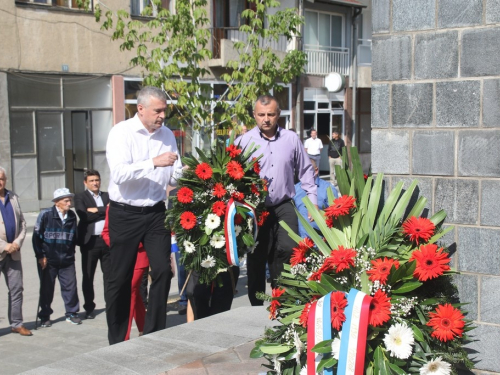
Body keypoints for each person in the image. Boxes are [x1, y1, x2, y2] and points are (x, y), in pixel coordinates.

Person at [105, 86, 183, 344]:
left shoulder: (168, 135)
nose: (162, 115)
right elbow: (119, 174)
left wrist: (188, 174)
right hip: (124, 213)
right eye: (157, 110)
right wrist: (154, 162)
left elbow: (174, 173)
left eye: (164, 110)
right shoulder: (121, 132)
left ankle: (153, 332)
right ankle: (116, 339)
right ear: (141, 109)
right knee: (120, 277)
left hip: (156, 212)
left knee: (163, 270)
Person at [236, 94, 317, 306]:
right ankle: (255, 305)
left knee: (288, 249)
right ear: (254, 115)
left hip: (283, 204)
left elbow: (306, 170)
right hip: (256, 207)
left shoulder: (291, 139)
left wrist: (312, 200)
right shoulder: (243, 142)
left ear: (278, 115)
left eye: (270, 114)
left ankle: (283, 300)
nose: (266, 119)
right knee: (256, 255)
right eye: (261, 115)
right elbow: (232, 174)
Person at [33, 188, 81, 327]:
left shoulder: (72, 215)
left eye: (70, 200)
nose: (69, 203)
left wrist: (71, 252)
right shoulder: (46, 214)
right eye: (66, 200)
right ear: (57, 202)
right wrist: (40, 255)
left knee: (70, 287)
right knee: (47, 288)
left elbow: (74, 236)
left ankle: (71, 313)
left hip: (67, 259)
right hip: (48, 259)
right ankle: (45, 315)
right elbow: (37, 238)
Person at [101, 207, 149, 340]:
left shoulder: (142, 204)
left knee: (129, 292)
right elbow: (105, 232)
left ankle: (123, 337)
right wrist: (119, 245)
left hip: (140, 256)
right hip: (121, 257)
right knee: (134, 293)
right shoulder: (112, 207)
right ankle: (144, 326)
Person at [74, 169, 110, 320]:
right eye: (92, 181)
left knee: (110, 276)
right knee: (88, 275)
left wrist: (97, 210)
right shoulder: (80, 197)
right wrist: (104, 210)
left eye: (97, 180)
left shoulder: (107, 195)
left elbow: (113, 211)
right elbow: (84, 215)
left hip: (107, 241)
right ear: (85, 183)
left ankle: (111, 304)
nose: (95, 183)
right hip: (90, 242)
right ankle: (89, 307)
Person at [0, 167, 31, 336]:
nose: (0, 182)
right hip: (2, 249)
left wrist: (17, 242)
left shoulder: (13, 197)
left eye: (2, 178)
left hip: (14, 252)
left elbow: (23, 224)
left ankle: (17, 323)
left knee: (16, 288)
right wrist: (4, 245)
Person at [294, 160, 338, 238]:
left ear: (316, 170)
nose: (304, 174)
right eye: (301, 171)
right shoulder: (295, 189)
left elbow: (336, 216)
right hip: (300, 242)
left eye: (307, 171)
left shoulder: (328, 189)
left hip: (322, 243)